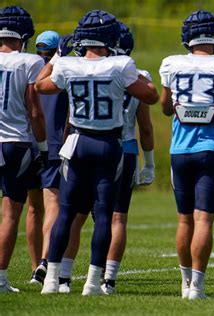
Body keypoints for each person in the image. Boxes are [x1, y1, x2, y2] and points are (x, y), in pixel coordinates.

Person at [35, 9, 158, 295]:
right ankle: (93, 282)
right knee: (103, 214)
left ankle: (52, 281)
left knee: (66, 212)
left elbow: (40, 85)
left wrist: (55, 59)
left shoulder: (67, 65)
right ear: (109, 38)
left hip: (77, 143)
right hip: (108, 145)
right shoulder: (121, 64)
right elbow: (151, 95)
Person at [159, 9, 214, 299]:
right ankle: (197, 287)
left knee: (184, 219)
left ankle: (185, 284)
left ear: (187, 36)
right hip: (212, 151)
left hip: (180, 150)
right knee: (204, 221)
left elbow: (165, 107)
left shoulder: (171, 64)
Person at [0, 5, 48, 293]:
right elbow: (34, 110)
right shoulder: (29, 61)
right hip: (14, 142)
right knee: (10, 213)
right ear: (24, 35)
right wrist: (42, 148)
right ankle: (1, 279)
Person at [28, 30, 69, 285]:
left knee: (33, 209)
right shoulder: (62, 72)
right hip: (52, 146)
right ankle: (44, 260)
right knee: (53, 204)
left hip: (28, 144)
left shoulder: (28, 70)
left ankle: (35, 270)